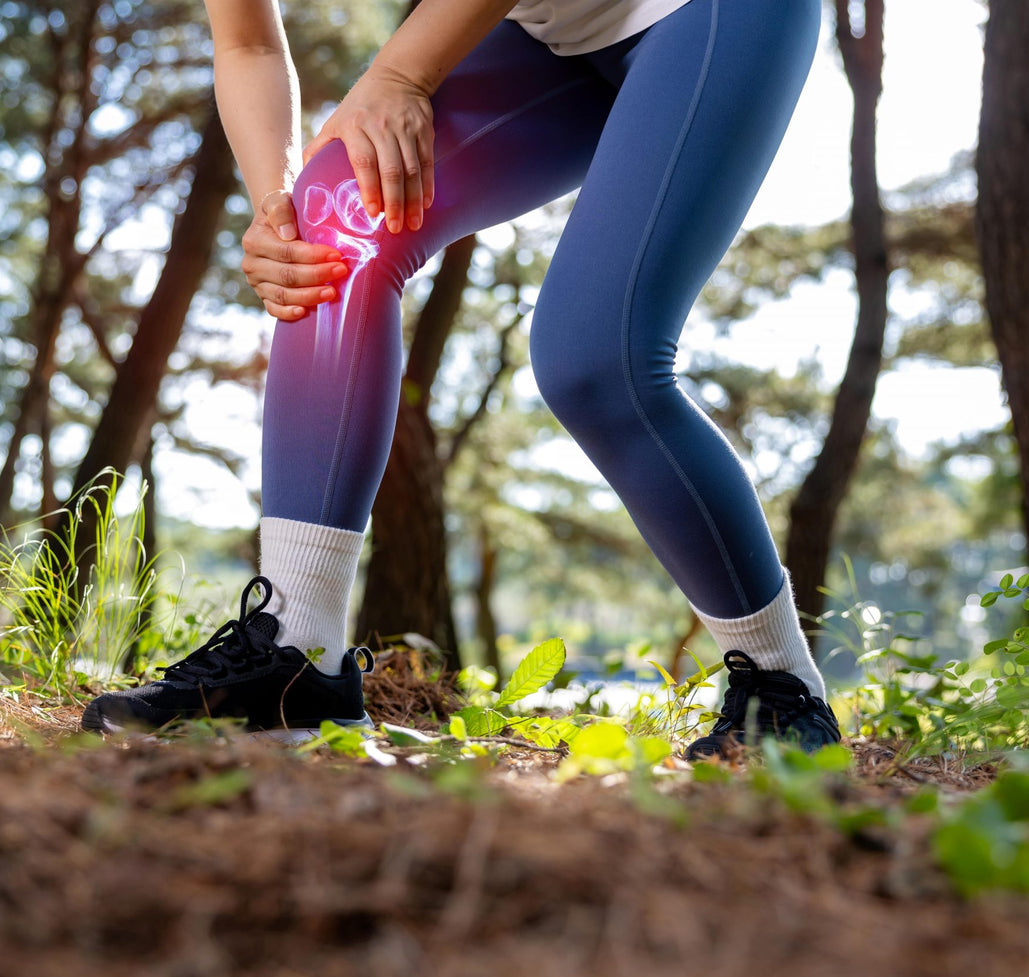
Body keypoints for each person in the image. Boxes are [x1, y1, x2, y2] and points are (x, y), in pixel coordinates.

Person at [82, 0, 842, 757]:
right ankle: (297, 656)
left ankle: (782, 690)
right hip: (547, 32)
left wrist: (401, 75)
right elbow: (247, 43)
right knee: (331, 222)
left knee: (595, 363)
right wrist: (277, 219)